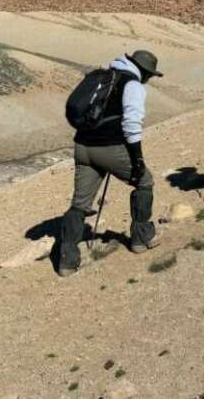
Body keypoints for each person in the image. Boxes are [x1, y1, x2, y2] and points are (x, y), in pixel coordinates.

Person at [58, 50, 164, 276]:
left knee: (80, 203)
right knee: (145, 181)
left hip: (82, 147)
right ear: (144, 71)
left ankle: (66, 260)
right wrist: (138, 160)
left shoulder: (106, 76)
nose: (149, 79)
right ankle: (140, 238)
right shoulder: (132, 84)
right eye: (150, 75)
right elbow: (132, 125)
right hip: (109, 148)